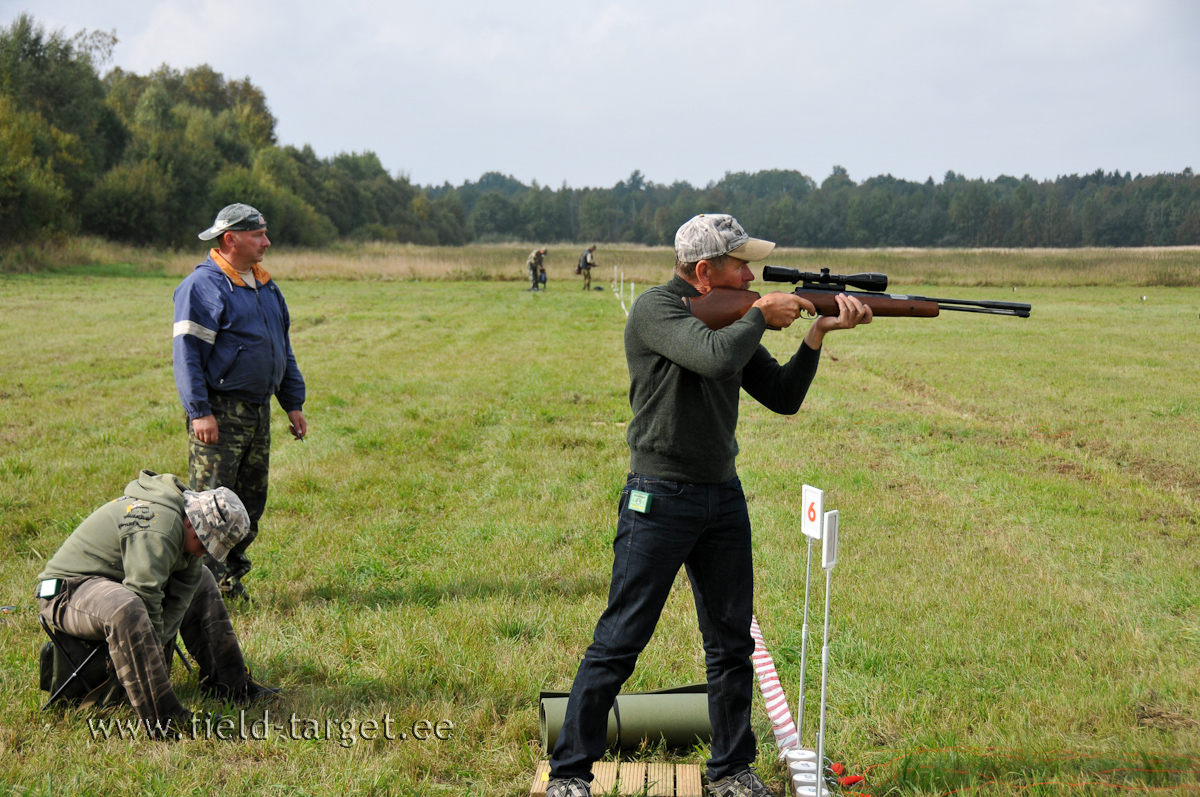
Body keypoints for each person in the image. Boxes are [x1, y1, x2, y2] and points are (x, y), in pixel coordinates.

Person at [546, 214, 871, 797]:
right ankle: (569, 773)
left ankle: (731, 769)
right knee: (620, 639)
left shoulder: (731, 319)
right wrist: (756, 315)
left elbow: (782, 397)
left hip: (722, 496)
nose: (752, 274)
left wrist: (815, 334)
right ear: (704, 271)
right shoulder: (657, 311)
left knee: (730, 643)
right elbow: (715, 357)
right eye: (739, 264)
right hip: (659, 498)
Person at [36, 470, 280, 739]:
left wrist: (157, 646)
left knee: (204, 579)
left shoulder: (185, 530)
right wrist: (151, 662)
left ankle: (232, 685)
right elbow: (143, 595)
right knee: (126, 607)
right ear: (191, 523)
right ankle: (165, 719)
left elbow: (179, 602)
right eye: (204, 544)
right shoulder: (160, 525)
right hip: (67, 592)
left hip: (110, 587)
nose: (203, 552)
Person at [173, 204, 308, 600]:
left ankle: (230, 581)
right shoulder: (202, 287)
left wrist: (292, 403)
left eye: (265, 233)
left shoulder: (265, 286)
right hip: (219, 412)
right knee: (209, 508)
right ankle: (198, 592)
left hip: (258, 411)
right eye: (258, 234)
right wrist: (201, 411)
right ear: (230, 239)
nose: (267, 241)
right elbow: (187, 355)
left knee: (248, 505)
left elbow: (282, 349)